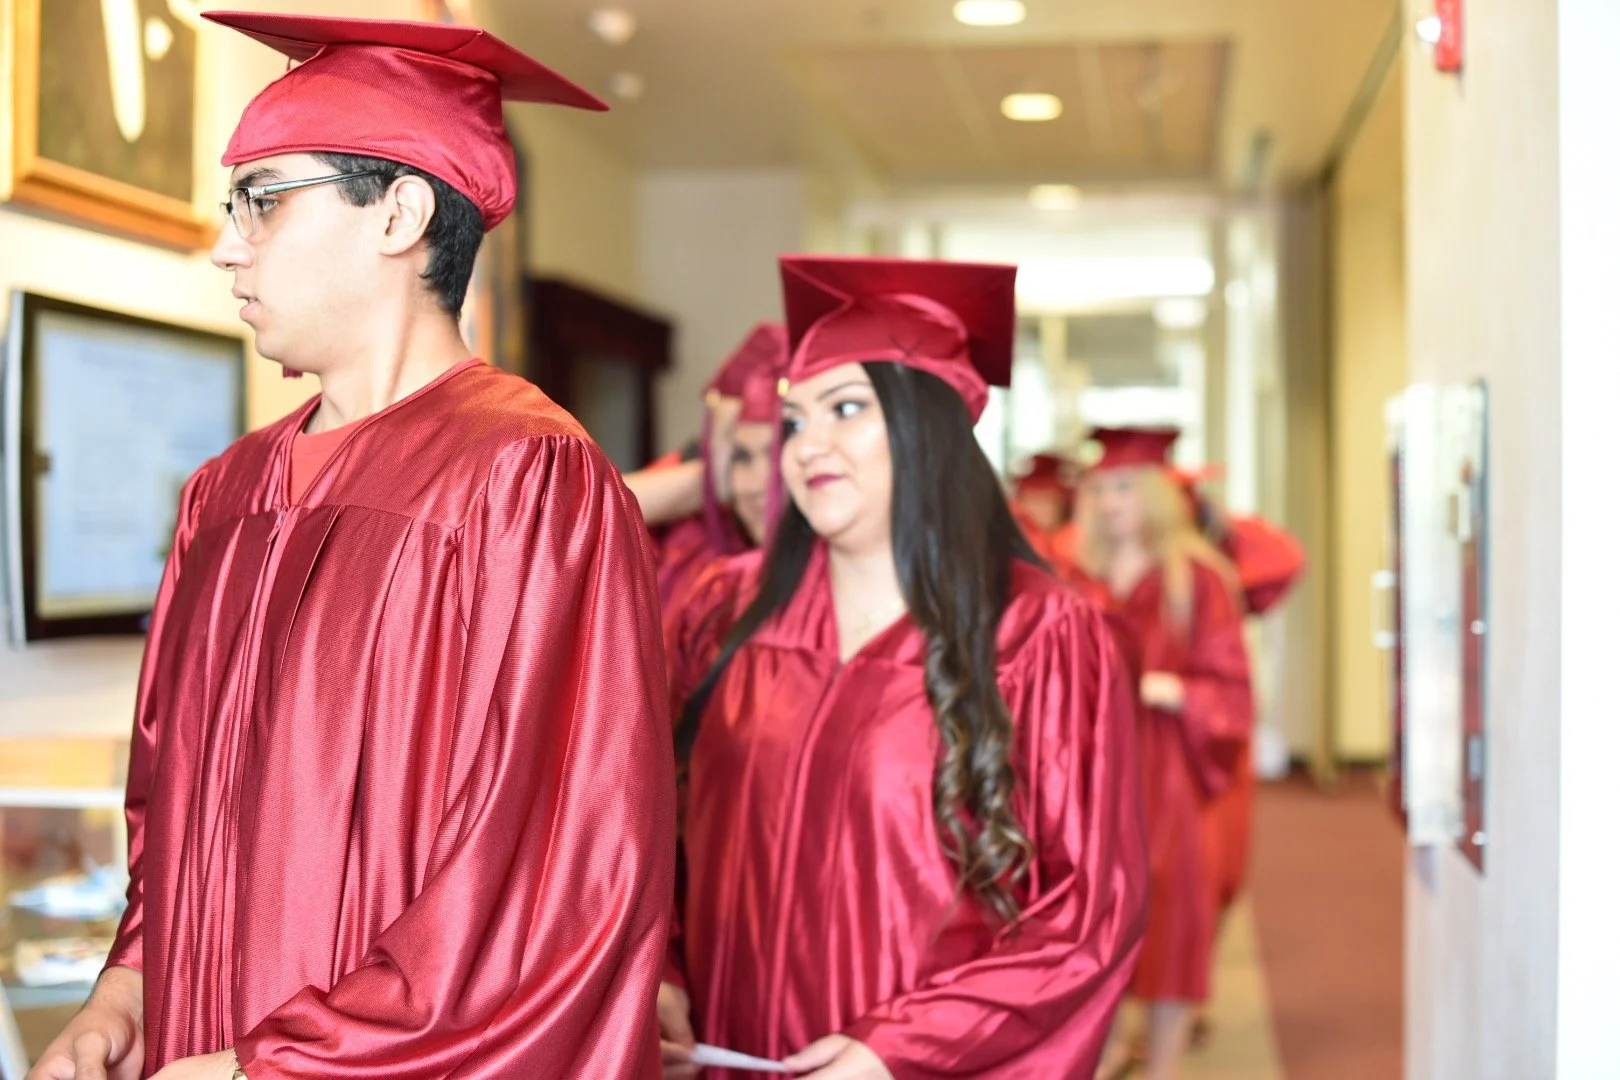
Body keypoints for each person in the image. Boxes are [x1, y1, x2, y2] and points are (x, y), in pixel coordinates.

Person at [27, 13, 674, 1080]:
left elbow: (548, 889)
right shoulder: (223, 500)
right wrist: (128, 991)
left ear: (400, 214)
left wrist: (274, 1066)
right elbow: (170, 812)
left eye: (262, 201)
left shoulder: (525, 482)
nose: (226, 241)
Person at [658, 256, 1148, 1080]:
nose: (809, 445)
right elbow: (648, 829)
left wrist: (897, 1051)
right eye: (795, 421)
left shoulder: (1036, 633)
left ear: (928, 426)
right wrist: (664, 974)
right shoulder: (724, 612)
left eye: (846, 409)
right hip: (731, 1055)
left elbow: (1087, 909)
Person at [1073, 428, 1253, 1080]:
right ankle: (1113, 1042)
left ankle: (1165, 1066)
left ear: (1153, 493)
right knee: (1095, 912)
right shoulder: (1076, 573)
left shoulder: (1196, 578)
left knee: (1173, 916)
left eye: (1123, 486)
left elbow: (1232, 689)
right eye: (1099, 487)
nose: (1109, 500)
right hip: (1094, 766)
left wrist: (1168, 687)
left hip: (1168, 767)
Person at [625, 323, 788, 608]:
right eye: (741, 457)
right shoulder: (695, 555)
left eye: (777, 458)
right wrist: (714, 474)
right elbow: (570, 518)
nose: (753, 485)